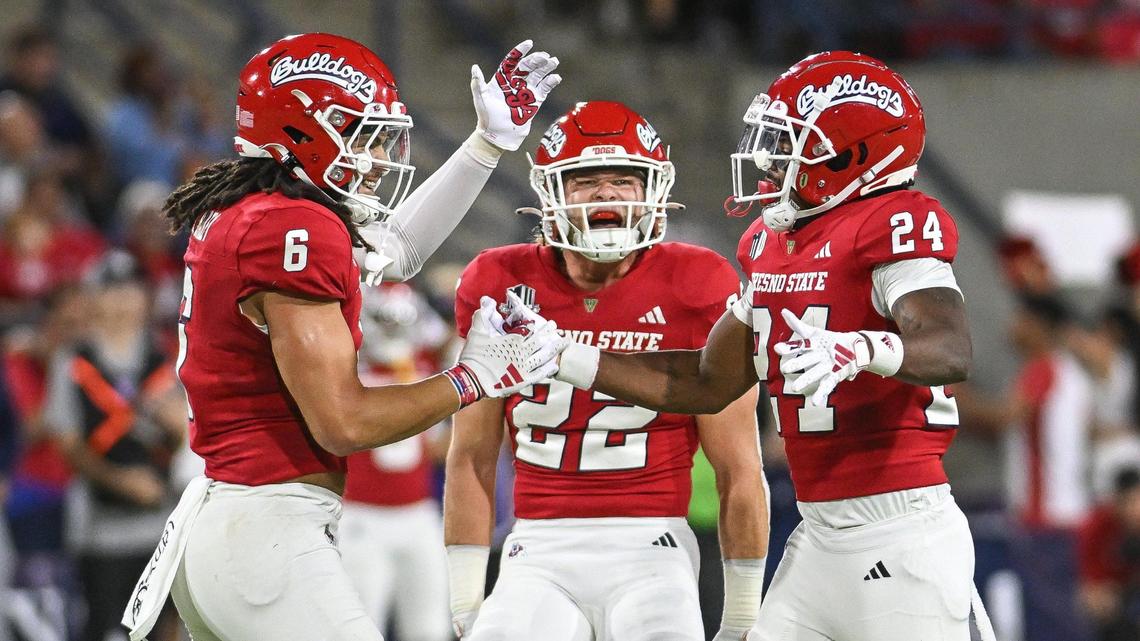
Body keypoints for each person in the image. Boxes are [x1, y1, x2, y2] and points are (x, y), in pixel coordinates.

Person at [118, 33, 565, 641]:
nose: (378, 157)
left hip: (236, 524)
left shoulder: (260, 210)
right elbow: (343, 423)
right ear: (300, 129)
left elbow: (396, 251)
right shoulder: (288, 225)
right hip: (265, 528)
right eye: (360, 133)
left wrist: (486, 146)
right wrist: (474, 378)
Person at [531, 52, 993, 640]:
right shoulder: (770, 243)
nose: (770, 160)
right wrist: (565, 353)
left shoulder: (896, 220)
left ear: (850, 153)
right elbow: (706, 381)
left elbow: (949, 349)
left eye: (790, 142)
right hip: (818, 537)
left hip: (903, 533)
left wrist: (863, 349)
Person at [445, 100, 768, 641]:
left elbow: (739, 465)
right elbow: (471, 455)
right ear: (550, 195)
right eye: (584, 181)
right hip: (536, 545)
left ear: (653, 190)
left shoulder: (697, 280)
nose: (608, 195)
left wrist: (741, 617)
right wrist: (465, 598)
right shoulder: (498, 279)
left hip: (653, 545)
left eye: (625, 179)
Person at [338, 283, 454, 641]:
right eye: (384, 320)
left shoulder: (420, 366)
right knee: (360, 628)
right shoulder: (346, 371)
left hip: (418, 513)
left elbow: (437, 447)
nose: (393, 329)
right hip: (361, 517)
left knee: (431, 628)